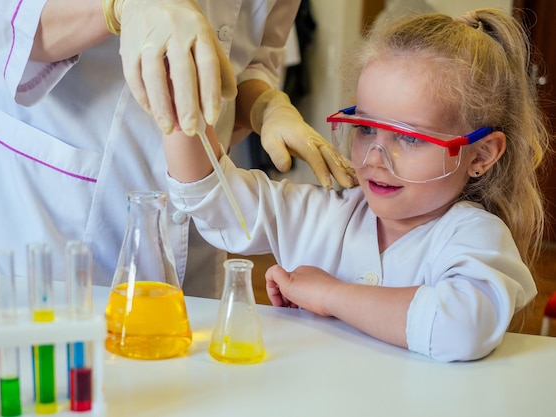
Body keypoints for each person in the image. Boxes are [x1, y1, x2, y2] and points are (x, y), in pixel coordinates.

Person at [162, 8, 550, 361]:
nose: (375, 158)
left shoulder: (474, 236)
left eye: (410, 137)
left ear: (480, 155)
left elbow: (460, 328)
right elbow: (214, 200)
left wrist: (328, 294)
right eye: (365, 128)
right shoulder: (327, 212)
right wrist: (180, 98)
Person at [0, 0, 353, 298]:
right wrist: (120, 6)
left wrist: (264, 105)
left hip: (194, 217)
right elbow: (6, 14)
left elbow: (250, 57)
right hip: (41, 206)